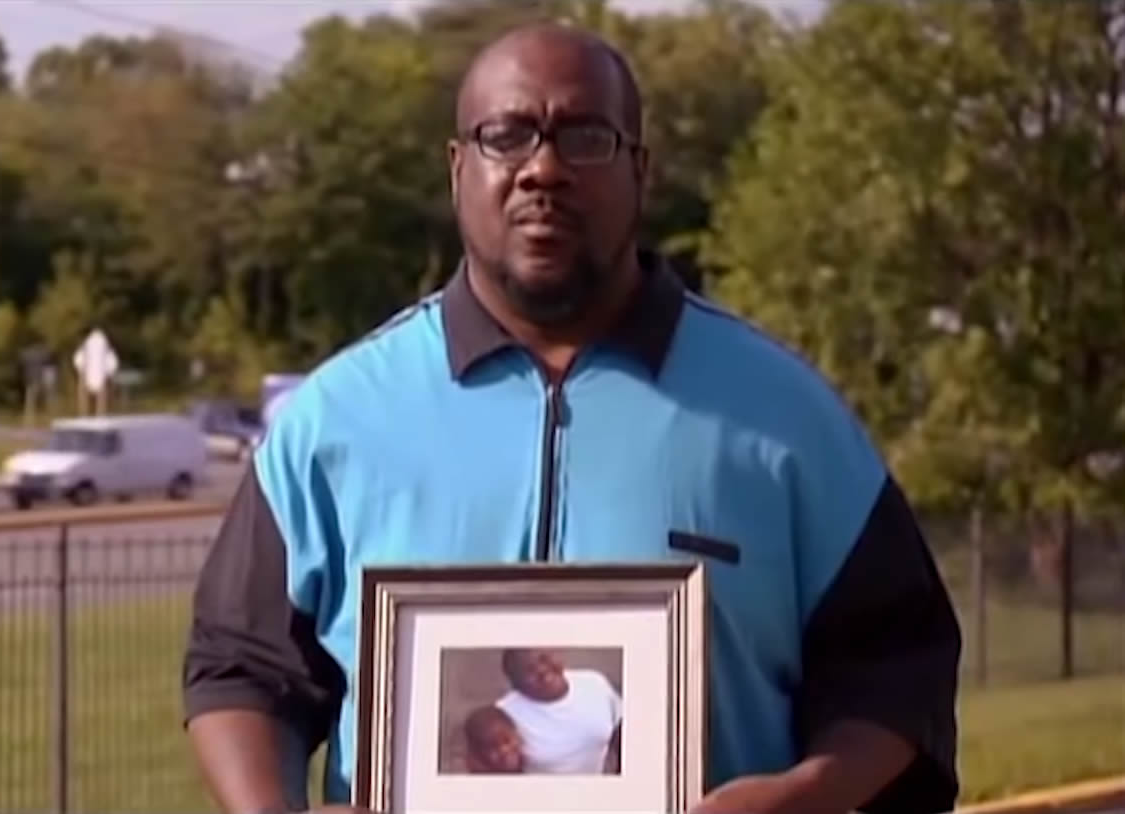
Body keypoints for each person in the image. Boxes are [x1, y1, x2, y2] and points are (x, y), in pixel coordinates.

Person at [182, 20, 961, 814]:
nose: (542, 169)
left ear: (640, 171)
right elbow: (240, 665)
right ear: (458, 169)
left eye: (584, 137)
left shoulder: (786, 416)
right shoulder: (336, 417)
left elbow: (899, 661)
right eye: (506, 136)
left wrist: (812, 792)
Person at [493, 648, 623, 775]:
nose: (541, 670)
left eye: (544, 659)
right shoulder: (503, 714)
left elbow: (619, 727)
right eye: (529, 670)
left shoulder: (594, 683)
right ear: (516, 685)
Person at [461, 704, 525, 774]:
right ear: (480, 754)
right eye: (493, 747)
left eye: (507, 740)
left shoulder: (530, 760)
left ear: (517, 734)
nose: (504, 750)